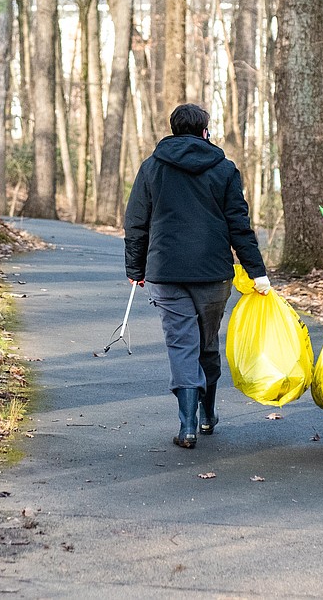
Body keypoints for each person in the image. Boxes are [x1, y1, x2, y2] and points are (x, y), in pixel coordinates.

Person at [124, 103, 270, 449]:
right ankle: (207, 414)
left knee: (181, 344)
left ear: (174, 129)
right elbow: (240, 227)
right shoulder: (223, 169)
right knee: (206, 344)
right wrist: (257, 272)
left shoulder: (152, 167)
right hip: (213, 273)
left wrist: (135, 268)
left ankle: (187, 425)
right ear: (205, 130)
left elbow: (136, 223)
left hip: (166, 271)